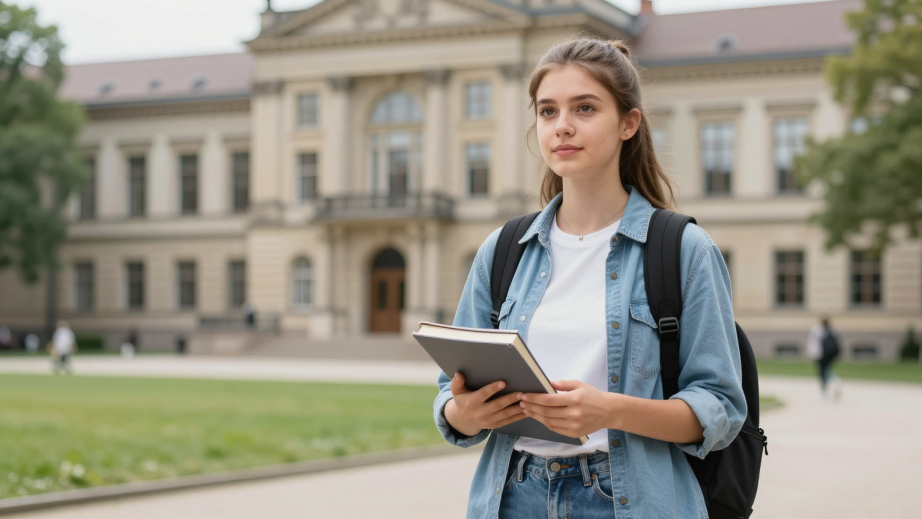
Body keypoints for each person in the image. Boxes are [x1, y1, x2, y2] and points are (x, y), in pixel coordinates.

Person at [433, 38, 746, 518]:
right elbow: (448, 398)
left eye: (584, 108)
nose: (562, 126)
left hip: (630, 501)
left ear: (628, 123)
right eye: (547, 111)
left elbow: (719, 408)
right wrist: (467, 413)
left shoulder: (683, 250)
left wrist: (610, 411)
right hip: (513, 495)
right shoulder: (502, 250)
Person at [806, 316, 842, 402]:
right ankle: (836, 382)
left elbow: (812, 343)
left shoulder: (816, 330)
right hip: (830, 355)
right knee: (828, 370)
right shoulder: (832, 329)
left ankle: (825, 390)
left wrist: (811, 354)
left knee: (822, 372)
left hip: (820, 355)